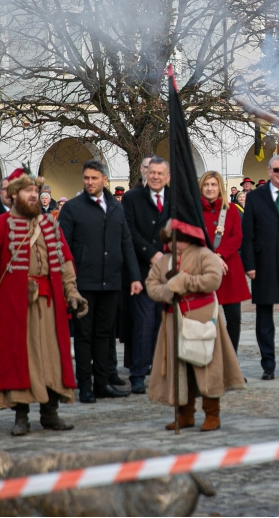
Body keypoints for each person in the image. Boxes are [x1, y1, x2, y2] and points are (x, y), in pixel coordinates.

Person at [0, 168, 88, 436]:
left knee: (51, 359)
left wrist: (72, 293)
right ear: (13, 195)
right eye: (28, 191)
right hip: (15, 306)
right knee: (19, 358)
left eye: (36, 190)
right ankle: (21, 416)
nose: (34, 195)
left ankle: (50, 413)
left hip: (50, 304)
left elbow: (65, 262)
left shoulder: (50, 224)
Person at [146, 222, 246, 431]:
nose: (175, 244)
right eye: (172, 239)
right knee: (179, 368)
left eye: (179, 239)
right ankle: (185, 413)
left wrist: (183, 282)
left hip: (201, 316)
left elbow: (213, 279)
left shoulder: (204, 254)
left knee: (205, 364)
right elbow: (152, 285)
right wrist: (167, 290)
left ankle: (212, 413)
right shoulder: (164, 260)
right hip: (173, 320)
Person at [58, 160, 142, 402]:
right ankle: (85, 386)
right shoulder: (73, 208)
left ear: (104, 179)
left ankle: (103, 382)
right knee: (84, 336)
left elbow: (126, 242)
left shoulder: (116, 208)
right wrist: (69, 283)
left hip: (111, 281)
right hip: (84, 282)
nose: (89, 182)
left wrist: (134, 276)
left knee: (105, 335)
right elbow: (64, 248)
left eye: (94, 178)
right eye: (86, 178)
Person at [240, 154, 279, 380]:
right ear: (268, 171)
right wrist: (249, 263)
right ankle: (268, 365)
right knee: (264, 318)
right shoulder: (255, 197)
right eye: (276, 170)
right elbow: (247, 233)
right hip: (263, 264)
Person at [121, 157, 172, 394]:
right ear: (145, 173)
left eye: (160, 173)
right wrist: (152, 254)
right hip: (142, 270)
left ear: (168, 177)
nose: (155, 177)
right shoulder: (132, 198)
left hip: (171, 271)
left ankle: (164, 369)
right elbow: (128, 232)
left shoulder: (176, 198)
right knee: (144, 322)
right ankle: (138, 374)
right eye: (152, 172)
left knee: (165, 322)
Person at [199, 171, 250, 353]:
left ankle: (231, 363)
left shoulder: (232, 210)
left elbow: (237, 237)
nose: (210, 188)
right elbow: (195, 238)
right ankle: (208, 361)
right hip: (203, 269)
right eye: (206, 185)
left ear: (219, 186)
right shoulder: (195, 211)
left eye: (213, 184)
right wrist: (211, 258)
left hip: (229, 268)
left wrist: (219, 255)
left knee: (234, 319)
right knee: (205, 318)